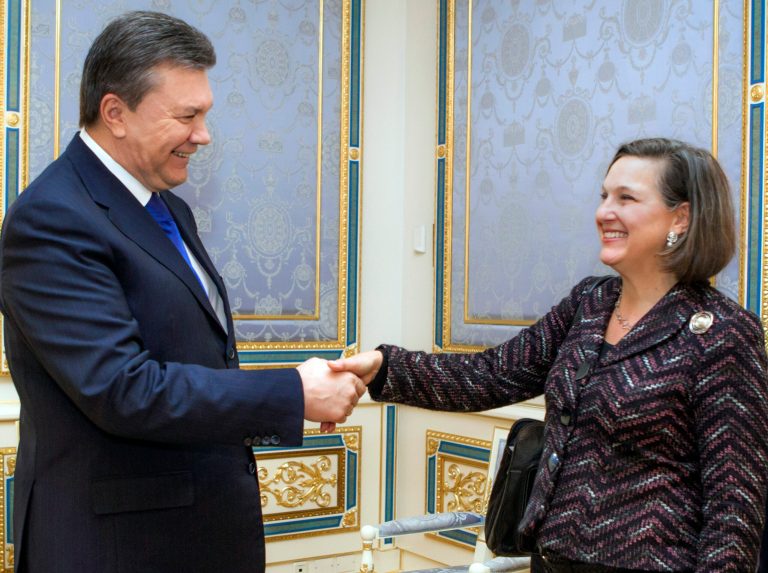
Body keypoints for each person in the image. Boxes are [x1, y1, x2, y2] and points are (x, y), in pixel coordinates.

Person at [0, 11, 364, 573]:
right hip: (117, 548)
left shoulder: (170, 208)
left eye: (205, 114)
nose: (203, 135)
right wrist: (293, 392)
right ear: (115, 113)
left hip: (193, 534)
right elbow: (123, 389)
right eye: (187, 116)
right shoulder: (50, 218)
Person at [331, 138, 768, 572]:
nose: (603, 213)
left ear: (682, 217)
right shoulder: (589, 304)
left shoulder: (723, 332)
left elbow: (734, 506)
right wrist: (384, 368)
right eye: (603, 196)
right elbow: (489, 375)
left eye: (626, 198)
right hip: (551, 559)